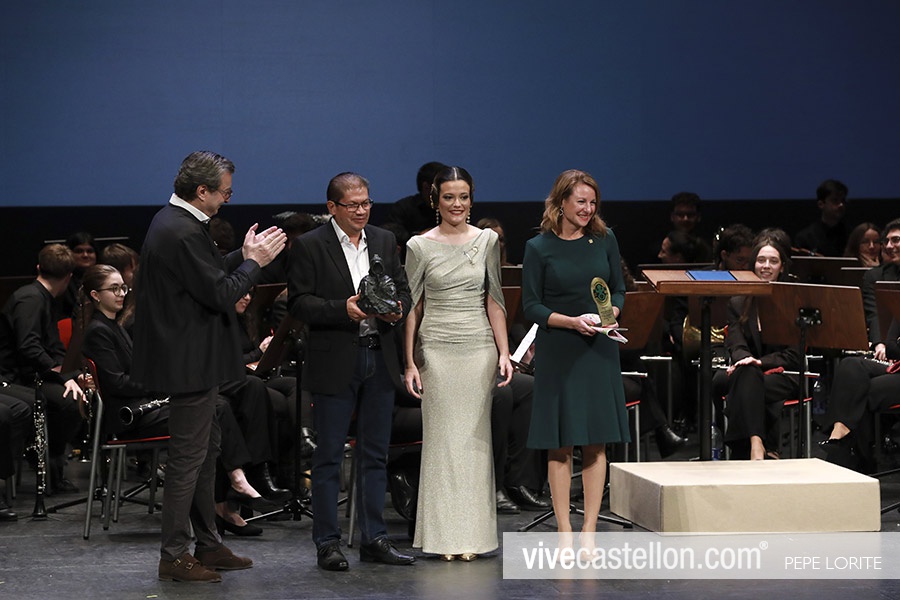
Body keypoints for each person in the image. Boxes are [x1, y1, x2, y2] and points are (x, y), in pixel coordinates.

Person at [131, 151, 286, 583]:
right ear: (202, 191)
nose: (227, 200)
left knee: (206, 456)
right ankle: (174, 554)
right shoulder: (180, 230)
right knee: (188, 460)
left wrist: (243, 254)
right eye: (225, 193)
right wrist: (255, 263)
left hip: (196, 361)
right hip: (190, 364)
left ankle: (208, 543)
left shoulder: (176, 223)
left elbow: (206, 274)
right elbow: (220, 293)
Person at [288, 172, 414, 572]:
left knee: (375, 454)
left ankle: (374, 538)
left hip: (379, 356)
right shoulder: (310, 245)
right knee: (328, 456)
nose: (362, 211)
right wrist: (341, 309)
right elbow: (299, 303)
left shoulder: (383, 240)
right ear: (332, 208)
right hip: (335, 359)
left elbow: (403, 290)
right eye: (353, 205)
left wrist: (397, 310)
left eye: (366, 203)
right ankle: (328, 542)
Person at [403, 166, 513, 561]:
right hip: (436, 350)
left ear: (472, 199)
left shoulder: (487, 241)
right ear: (436, 200)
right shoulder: (418, 246)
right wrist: (409, 361)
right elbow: (412, 307)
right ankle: (443, 538)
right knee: (443, 443)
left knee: (474, 444)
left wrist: (504, 352)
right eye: (449, 197)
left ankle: (473, 538)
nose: (457, 204)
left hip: (479, 348)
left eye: (463, 197)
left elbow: (494, 299)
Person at [521, 169, 629, 544]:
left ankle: (589, 528)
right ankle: (565, 528)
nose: (587, 209)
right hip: (560, 351)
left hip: (599, 349)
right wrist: (570, 322)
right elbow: (531, 306)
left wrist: (611, 313)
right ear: (561, 202)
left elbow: (618, 288)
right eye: (580, 201)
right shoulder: (538, 248)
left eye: (592, 202)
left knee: (596, 440)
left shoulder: (604, 239)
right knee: (561, 441)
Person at [0, 243, 86, 493]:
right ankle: (48, 463)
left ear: (38, 268)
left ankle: (51, 464)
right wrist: (62, 376)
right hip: (14, 378)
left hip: (32, 373)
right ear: (69, 276)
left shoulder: (43, 298)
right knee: (68, 402)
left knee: (76, 394)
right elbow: (28, 348)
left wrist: (72, 374)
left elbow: (53, 347)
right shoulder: (31, 299)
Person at [718, 232, 801, 460]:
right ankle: (761, 443)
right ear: (753, 264)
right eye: (761, 260)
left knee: (749, 384)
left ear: (782, 267)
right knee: (738, 378)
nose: (766, 266)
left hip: (784, 374)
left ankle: (748, 449)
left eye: (773, 261)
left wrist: (759, 362)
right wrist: (747, 360)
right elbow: (736, 343)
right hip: (744, 370)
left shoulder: (794, 302)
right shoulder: (737, 302)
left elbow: (794, 354)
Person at [862, 219, 900, 361]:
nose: (889, 246)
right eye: (886, 241)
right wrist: (880, 345)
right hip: (888, 349)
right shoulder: (875, 276)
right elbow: (875, 314)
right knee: (850, 365)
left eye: (895, 240)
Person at [385, 161, 447, 241]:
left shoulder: (451, 206)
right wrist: (418, 236)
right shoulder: (404, 207)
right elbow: (389, 233)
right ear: (426, 187)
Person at [794, 179, 850, 257]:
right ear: (821, 204)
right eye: (835, 200)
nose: (841, 205)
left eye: (843, 201)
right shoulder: (805, 238)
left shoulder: (852, 236)